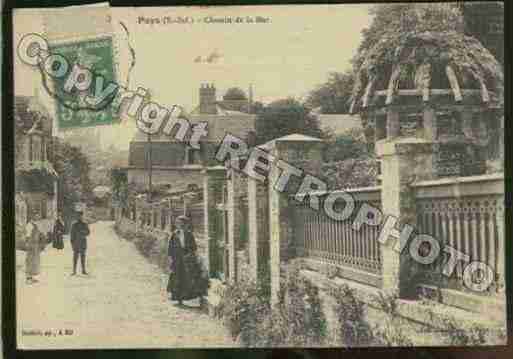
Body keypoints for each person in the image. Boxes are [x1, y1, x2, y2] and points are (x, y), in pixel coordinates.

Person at [166, 215, 208, 306]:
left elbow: (194, 247)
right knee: (177, 277)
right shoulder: (174, 234)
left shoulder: (189, 234)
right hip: (177, 259)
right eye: (178, 223)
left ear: (186, 225)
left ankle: (187, 297)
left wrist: (193, 256)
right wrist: (170, 259)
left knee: (187, 278)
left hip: (187, 259)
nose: (180, 225)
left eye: (182, 224)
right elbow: (170, 248)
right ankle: (178, 298)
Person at [70, 211, 90, 275]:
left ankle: (83, 270)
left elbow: (88, 232)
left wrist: (82, 232)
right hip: (76, 243)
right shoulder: (74, 225)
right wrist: (72, 244)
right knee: (75, 258)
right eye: (78, 216)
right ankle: (74, 271)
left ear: (82, 216)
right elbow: (72, 235)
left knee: (83, 257)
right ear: (77, 216)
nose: (79, 217)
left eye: (81, 216)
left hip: (83, 243)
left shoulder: (85, 224)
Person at [25, 213, 43, 284]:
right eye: (36, 216)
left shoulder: (35, 225)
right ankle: (28, 278)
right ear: (32, 217)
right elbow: (27, 236)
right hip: (31, 245)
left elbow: (38, 234)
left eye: (38, 216)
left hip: (35, 245)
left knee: (34, 262)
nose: (38, 218)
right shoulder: (29, 225)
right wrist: (28, 245)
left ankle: (31, 277)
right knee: (29, 261)